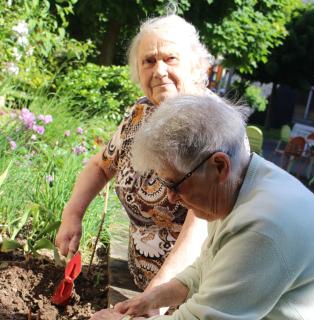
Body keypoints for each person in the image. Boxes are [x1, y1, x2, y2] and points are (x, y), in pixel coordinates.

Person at [91, 94, 314, 320]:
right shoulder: (237, 187)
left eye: (175, 184)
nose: (171, 197)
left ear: (219, 166)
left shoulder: (264, 226)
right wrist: (156, 297)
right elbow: (208, 266)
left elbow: (205, 319)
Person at [55, 14, 212, 294]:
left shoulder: (210, 126)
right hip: (141, 285)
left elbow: (198, 229)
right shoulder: (141, 113)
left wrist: (154, 299)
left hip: (187, 296)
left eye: (170, 59)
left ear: (197, 65)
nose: (159, 71)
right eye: (149, 61)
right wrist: (73, 214)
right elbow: (101, 166)